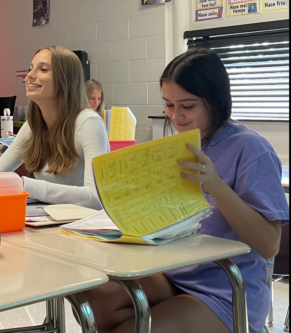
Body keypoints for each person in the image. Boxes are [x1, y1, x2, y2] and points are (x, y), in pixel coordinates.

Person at [81, 48, 288, 333]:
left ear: (215, 101)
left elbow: (269, 245)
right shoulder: (180, 144)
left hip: (225, 289)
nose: (176, 116)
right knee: (95, 300)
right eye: (168, 105)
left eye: (187, 106)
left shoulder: (250, 149)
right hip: (175, 272)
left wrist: (214, 183)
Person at [0, 45, 109, 209]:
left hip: (79, 227)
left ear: (65, 80)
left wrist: (23, 184)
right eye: (30, 69)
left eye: (43, 69)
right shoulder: (33, 125)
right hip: (46, 221)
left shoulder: (89, 123)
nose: (30, 75)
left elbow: (97, 198)